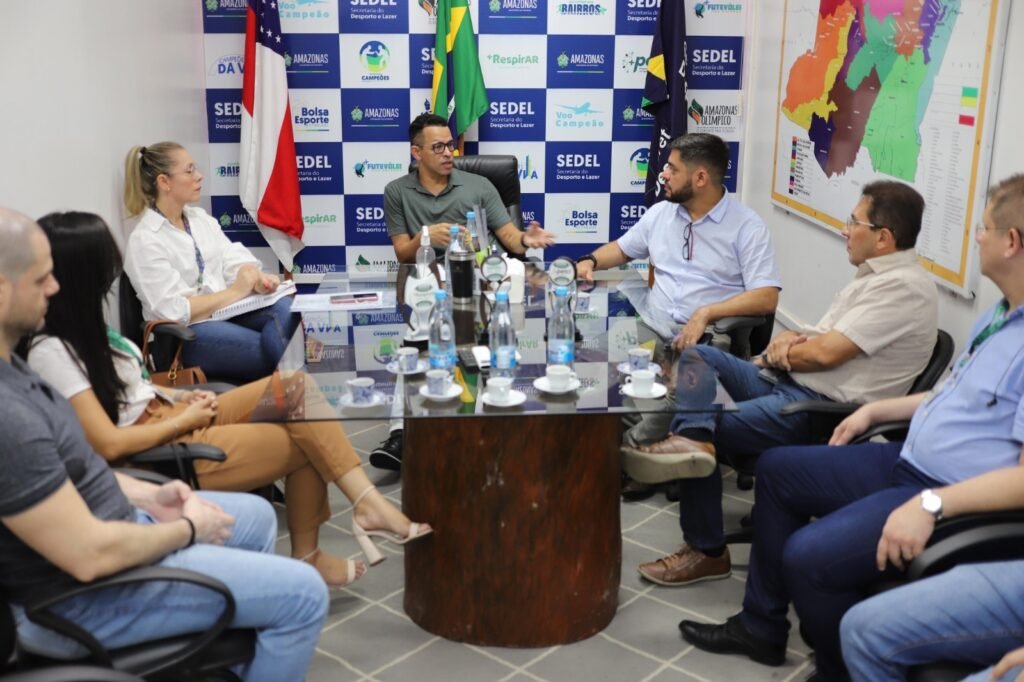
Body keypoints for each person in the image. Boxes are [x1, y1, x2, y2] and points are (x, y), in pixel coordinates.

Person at [677, 174, 1024, 681]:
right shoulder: (999, 316)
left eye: (984, 229)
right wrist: (877, 412)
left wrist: (931, 503)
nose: (976, 238)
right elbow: (955, 395)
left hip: (940, 486)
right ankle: (760, 626)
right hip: (904, 457)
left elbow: (827, 354)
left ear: (1011, 242)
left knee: (806, 557)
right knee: (774, 467)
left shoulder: (908, 289)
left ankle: (838, 669)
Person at [0, 207, 326, 681]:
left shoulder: (15, 370)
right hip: (81, 598)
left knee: (256, 517)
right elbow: (89, 555)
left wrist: (148, 495)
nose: (54, 288)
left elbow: (71, 470)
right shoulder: (11, 414)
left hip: (118, 524)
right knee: (304, 594)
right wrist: (187, 530)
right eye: (41, 279)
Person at [23, 211, 431, 587]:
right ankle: (332, 536)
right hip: (162, 443)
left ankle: (363, 508)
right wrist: (183, 420)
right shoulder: (52, 351)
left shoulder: (87, 330)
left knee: (295, 387)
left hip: (172, 412)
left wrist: (178, 396)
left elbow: (130, 391)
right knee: (308, 439)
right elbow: (109, 444)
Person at [622, 180, 938, 589]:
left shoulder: (903, 288)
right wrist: (788, 341)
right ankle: (690, 442)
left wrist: (782, 351)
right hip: (787, 382)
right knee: (698, 355)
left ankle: (706, 550)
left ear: (883, 237)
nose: (844, 230)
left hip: (817, 409)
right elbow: (819, 338)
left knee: (702, 424)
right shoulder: (872, 276)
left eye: (853, 222)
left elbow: (827, 354)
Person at [575, 133, 782, 485]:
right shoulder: (661, 213)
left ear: (700, 177)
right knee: (592, 363)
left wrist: (706, 313)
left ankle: (631, 456)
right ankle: (643, 442)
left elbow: (766, 297)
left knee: (681, 386)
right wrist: (590, 260)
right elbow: (623, 249)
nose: (664, 174)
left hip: (706, 339)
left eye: (672, 168)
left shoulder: (747, 227)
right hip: (653, 327)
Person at [371, 113, 558, 470]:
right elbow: (402, 253)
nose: (448, 153)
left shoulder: (479, 186)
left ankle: (494, 432)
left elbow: (509, 237)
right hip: (428, 283)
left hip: (480, 281)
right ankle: (400, 435)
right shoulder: (396, 191)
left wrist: (526, 239)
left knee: (490, 344)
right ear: (416, 153)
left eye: (450, 145)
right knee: (415, 345)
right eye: (438, 147)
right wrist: (426, 236)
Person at [122, 141, 299, 383]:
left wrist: (254, 277)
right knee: (271, 350)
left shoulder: (199, 219)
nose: (199, 176)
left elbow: (232, 257)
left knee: (285, 311)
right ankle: (302, 395)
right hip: (186, 335)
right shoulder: (145, 239)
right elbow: (174, 311)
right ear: (164, 182)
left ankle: (296, 396)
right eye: (189, 171)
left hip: (225, 313)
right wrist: (236, 291)